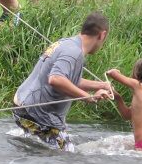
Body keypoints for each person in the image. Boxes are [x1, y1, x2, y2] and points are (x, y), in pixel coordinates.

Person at [13, 12, 112, 151]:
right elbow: (56, 79)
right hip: (37, 114)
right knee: (68, 154)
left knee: (42, 150)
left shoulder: (67, 43)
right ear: (102, 35)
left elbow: (68, 80)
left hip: (22, 107)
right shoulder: (74, 52)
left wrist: (101, 85)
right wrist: (88, 97)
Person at [107, 58, 142, 152]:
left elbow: (112, 73)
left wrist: (115, 71)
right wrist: (118, 97)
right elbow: (127, 115)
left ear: (136, 73)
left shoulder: (138, 85)